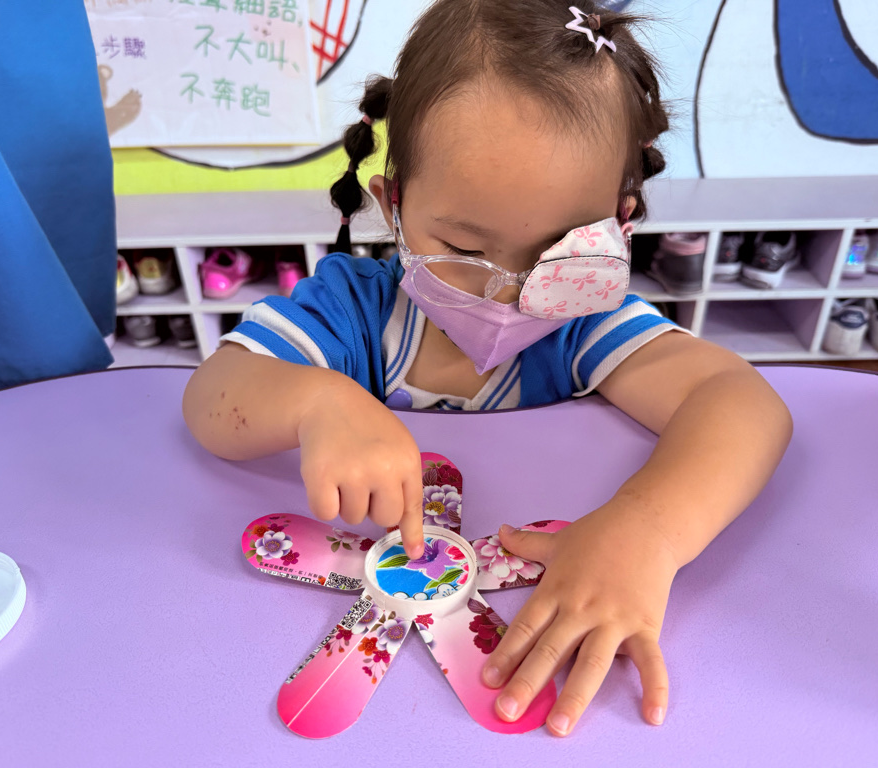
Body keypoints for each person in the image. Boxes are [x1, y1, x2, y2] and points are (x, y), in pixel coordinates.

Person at [183, 0, 792, 738]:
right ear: (393, 205)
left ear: (619, 223)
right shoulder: (352, 310)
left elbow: (741, 403)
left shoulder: (584, 323)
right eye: (465, 251)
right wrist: (314, 402)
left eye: (558, 254)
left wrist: (650, 531)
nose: (510, 292)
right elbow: (211, 398)